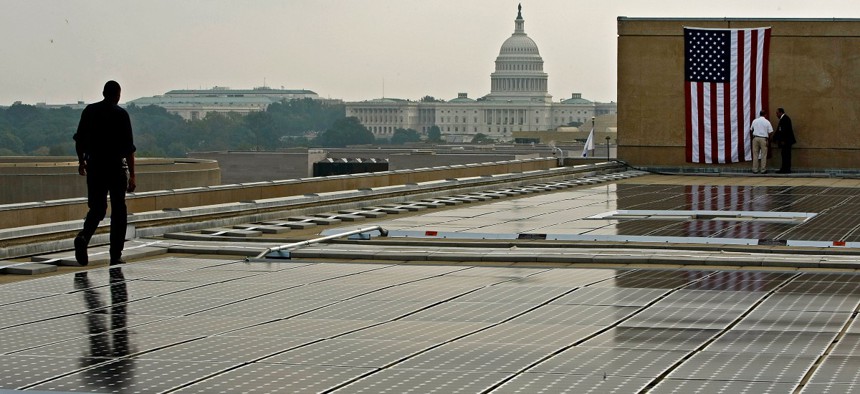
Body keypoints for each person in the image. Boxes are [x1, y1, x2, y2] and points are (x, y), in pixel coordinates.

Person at [73, 81, 137, 266]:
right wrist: (132, 175)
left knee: (97, 208)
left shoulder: (90, 111)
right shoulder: (121, 115)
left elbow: (79, 141)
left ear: (103, 92)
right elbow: (129, 149)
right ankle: (115, 254)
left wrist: (81, 162)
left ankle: (84, 237)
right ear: (118, 95)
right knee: (118, 210)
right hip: (115, 168)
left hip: (95, 167)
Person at [749, 110, 774, 174]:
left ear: (760, 114)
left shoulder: (755, 121)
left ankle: (755, 169)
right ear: (765, 115)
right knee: (763, 154)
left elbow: (751, 129)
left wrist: (753, 137)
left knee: (755, 154)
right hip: (763, 138)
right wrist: (768, 139)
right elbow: (770, 131)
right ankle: (763, 169)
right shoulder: (767, 122)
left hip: (755, 138)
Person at [774, 107, 797, 174]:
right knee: (784, 155)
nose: (776, 115)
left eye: (777, 113)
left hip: (786, 141)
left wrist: (783, 140)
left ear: (781, 112)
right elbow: (779, 130)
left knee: (786, 155)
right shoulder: (784, 119)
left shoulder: (785, 119)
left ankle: (786, 169)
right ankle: (784, 168)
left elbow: (785, 131)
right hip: (785, 141)